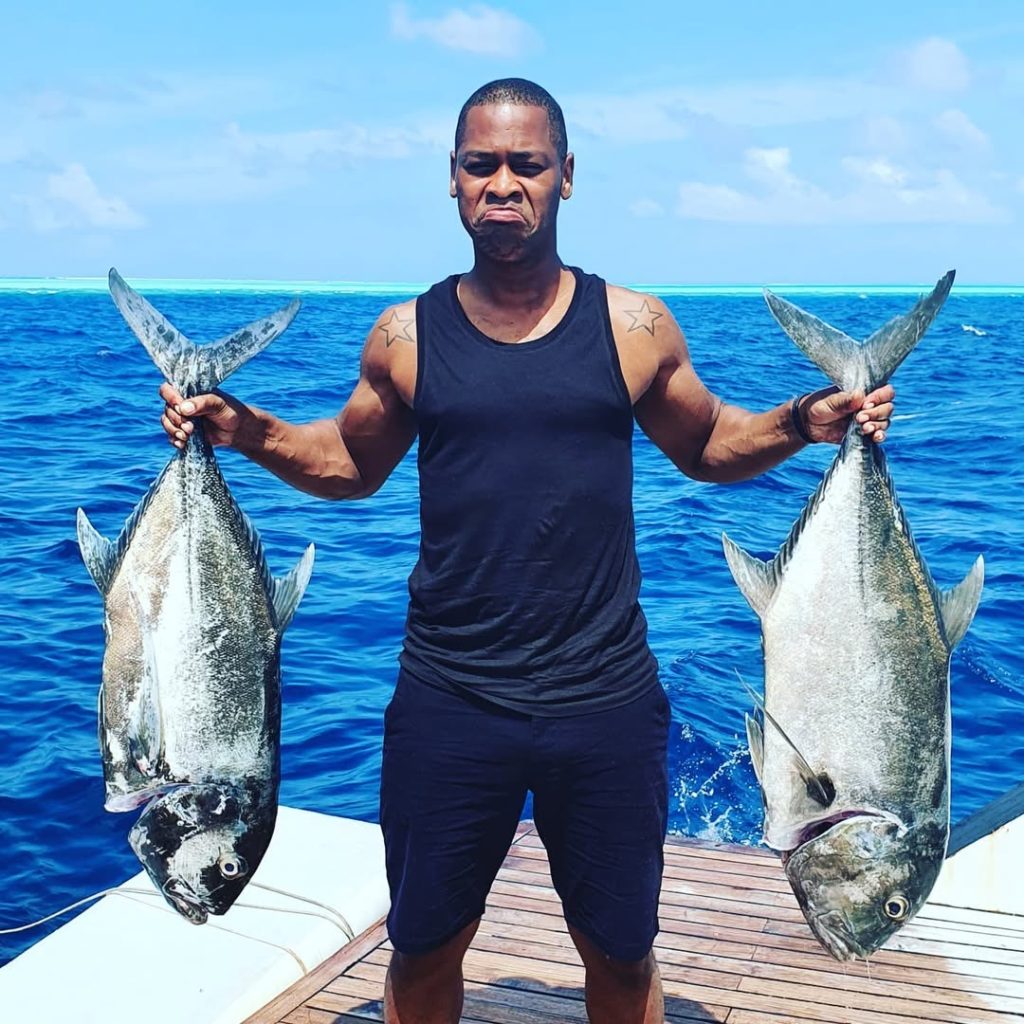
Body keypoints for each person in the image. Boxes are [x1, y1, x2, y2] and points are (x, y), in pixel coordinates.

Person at [159, 79, 894, 1024]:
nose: (504, 183)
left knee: (624, 957)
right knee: (422, 950)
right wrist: (241, 425)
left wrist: (806, 418)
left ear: (567, 177)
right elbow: (346, 463)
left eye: (527, 164)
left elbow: (710, 444)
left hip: (606, 700)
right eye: (481, 165)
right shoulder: (406, 333)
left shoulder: (634, 326)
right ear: (454, 182)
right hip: (449, 700)